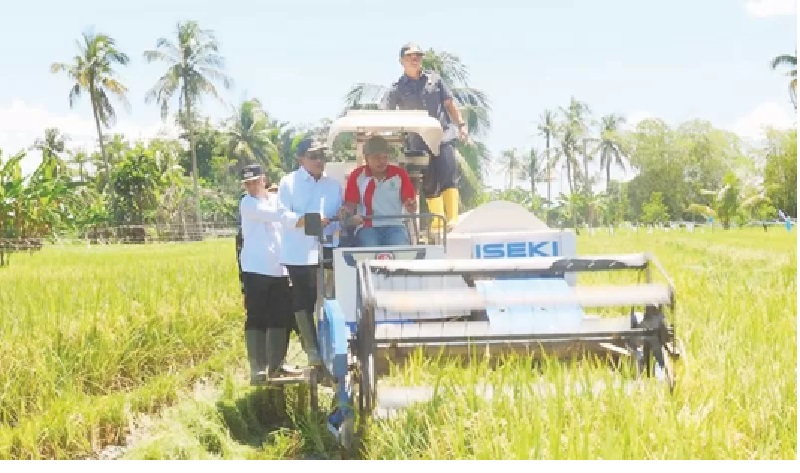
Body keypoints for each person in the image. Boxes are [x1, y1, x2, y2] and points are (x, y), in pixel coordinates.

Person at [381, 42, 469, 231]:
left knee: (448, 172)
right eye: (411, 57)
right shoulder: (397, 88)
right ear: (401, 61)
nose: (415, 60)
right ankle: (438, 222)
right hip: (418, 140)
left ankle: (452, 219)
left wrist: (461, 125)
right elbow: (385, 111)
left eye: (418, 56)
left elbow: (449, 104)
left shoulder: (435, 80)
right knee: (429, 181)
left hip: (443, 135)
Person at [276, 138, 343, 366]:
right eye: (313, 156)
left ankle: (333, 345)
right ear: (301, 158)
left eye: (322, 156)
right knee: (304, 300)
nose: (318, 160)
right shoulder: (288, 182)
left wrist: (341, 218)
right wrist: (307, 221)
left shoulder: (333, 185)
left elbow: (338, 219)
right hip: (299, 251)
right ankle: (313, 350)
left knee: (330, 299)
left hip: (329, 249)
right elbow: (284, 216)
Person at [237, 164, 295, 384]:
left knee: (280, 316)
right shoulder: (248, 203)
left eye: (255, 182)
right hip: (255, 268)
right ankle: (258, 367)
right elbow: (279, 216)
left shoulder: (275, 201)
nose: (252, 186)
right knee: (257, 316)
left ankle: (277, 364)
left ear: (264, 180)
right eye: (248, 183)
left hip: (279, 268)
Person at [341, 135, 416, 246]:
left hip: (395, 225)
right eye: (377, 157)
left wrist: (411, 206)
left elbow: (410, 205)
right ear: (366, 158)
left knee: (399, 247)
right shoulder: (357, 176)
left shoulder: (399, 174)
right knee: (370, 246)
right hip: (367, 227)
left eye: (385, 157)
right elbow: (350, 205)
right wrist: (347, 213)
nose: (382, 161)